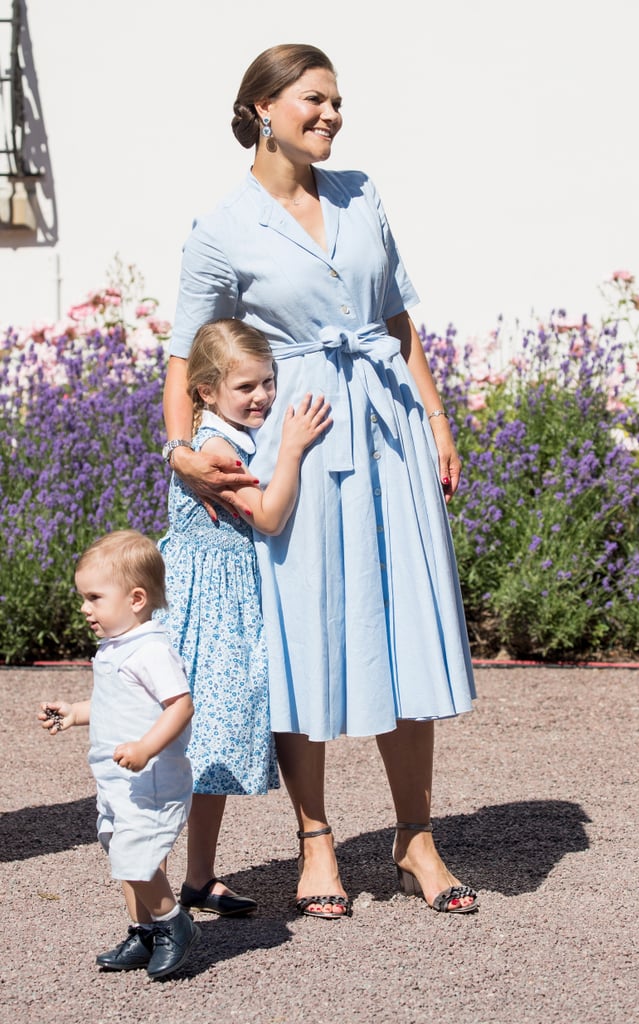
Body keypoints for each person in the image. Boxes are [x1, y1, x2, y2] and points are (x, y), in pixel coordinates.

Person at [163, 43, 478, 919]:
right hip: (296, 437)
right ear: (262, 107)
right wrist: (183, 450)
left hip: (389, 428)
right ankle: (315, 840)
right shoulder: (222, 225)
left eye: (338, 101)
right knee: (304, 636)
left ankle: (415, 836)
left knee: (405, 626)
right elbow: (184, 350)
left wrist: (438, 419)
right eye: (315, 99)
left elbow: (396, 316)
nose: (332, 114)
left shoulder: (360, 193)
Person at [155, 317, 331, 917]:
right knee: (187, 745)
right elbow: (269, 515)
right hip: (207, 605)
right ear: (205, 392)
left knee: (214, 745)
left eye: (269, 382)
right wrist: (295, 448)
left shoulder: (223, 431)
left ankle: (198, 877)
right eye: (246, 387)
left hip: (229, 599)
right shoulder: (215, 447)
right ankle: (149, 882)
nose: (262, 397)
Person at [38, 530, 200, 978]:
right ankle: (143, 931)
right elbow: (115, 704)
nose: (84, 608)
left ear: (135, 598)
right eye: (82, 597)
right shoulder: (115, 647)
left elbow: (181, 704)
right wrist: (75, 712)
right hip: (117, 778)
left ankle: (174, 923)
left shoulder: (150, 649)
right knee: (119, 849)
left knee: (136, 854)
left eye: (93, 597)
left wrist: (148, 747)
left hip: (148, 777)